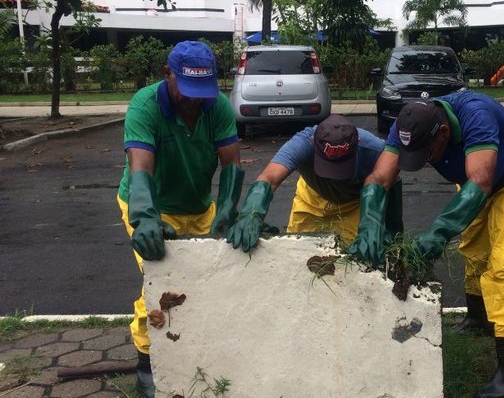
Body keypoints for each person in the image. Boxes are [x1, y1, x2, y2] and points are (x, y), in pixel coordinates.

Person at [350, 92, 504, 398]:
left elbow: (481, 182)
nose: (423, 162)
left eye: (427, 153)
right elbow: (379, 177)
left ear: (445, 134)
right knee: (473, 251)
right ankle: (478, 318)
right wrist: (369, 223)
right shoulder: (409, 124)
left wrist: (436, 235)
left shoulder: (477, 116)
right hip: (474, 180)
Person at [116, 41, 243, 398]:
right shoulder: (146, 105)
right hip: (150, 205)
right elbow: (140, 166)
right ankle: (146, 364)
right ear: (167, 73)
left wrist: (228, 212)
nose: (195, 100)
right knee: (159, 280)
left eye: (202, 92)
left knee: (205, 284)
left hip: (200, 207)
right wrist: (145, 218)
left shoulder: (215, 106)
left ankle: (196, 352)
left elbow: (232, 163)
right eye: (188, 91)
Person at [225, 114, 403, 253]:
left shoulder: (374, 149)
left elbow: (391, 181)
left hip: (354, 203)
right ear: (313, 144)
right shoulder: (302, 143)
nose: (334, 176)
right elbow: (269, 179)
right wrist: (251, 213)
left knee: (353, 256)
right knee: (299, 250)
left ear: (357, 145)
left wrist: (391, 230)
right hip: (312, 197)